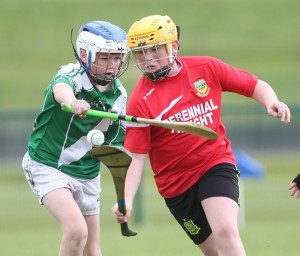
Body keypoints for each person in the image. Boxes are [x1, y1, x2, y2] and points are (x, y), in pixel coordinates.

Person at [112, 15, 291, 256]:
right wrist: (127, 199)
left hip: (214, 164)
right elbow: (135, 155)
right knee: (213, 251)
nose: (148, 59)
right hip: (175, 187)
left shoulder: (206, 68)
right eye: (141, 53)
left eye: (155, 50)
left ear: (174, 46)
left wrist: (271, 101)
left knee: (226, 230)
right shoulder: (140, 100)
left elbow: (253, 85)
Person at [22, 20, 129, 256]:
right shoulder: (71, 74)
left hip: (87, 173)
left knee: (93, 250)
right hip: (48, 165)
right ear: (84, 54)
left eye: (117, 57)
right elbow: (61, 89)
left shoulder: (119, 94)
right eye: (104, 57)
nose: (112, 65)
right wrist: (72, 102)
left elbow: (117, 145)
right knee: (77, 231)